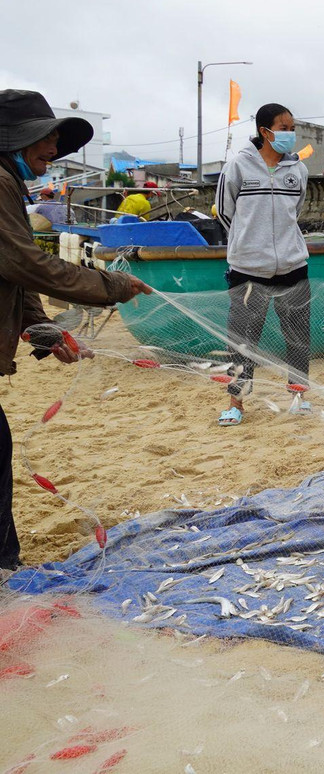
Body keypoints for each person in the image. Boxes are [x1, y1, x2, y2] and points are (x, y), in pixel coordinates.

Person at [0, 88, 151, 570]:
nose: (55, 148)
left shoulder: (9, 184)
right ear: (14, 140)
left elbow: (12, 274)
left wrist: (44, 332)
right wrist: (111, 284)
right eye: (46, 138)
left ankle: (5, 565)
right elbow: (26, 264)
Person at [215, 102, 311, 427]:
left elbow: (294, 213)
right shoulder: (237, 167)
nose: (290, 134)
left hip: (293, 267)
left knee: (297, 335)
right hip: (247, 270)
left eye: (292, 128)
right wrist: (249, 244)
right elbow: (226, 213)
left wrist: (282, 248)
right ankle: (236, 403)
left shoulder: (298, 171)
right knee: (242, 339)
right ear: (265, 131)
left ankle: (299, 397)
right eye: (284, 128)